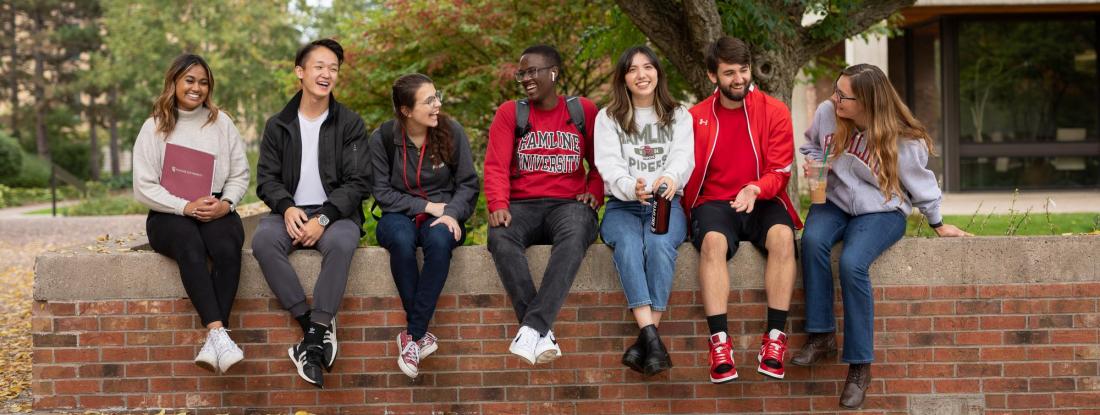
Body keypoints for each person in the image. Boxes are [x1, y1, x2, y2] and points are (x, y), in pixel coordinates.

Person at [794, 63, 972, 408]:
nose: (835, 98)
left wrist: (937, 222)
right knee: (812, 242)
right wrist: (818, 163)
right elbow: (811, 146)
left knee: (852, 263)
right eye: (836, 90)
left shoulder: (903, 138)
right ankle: (821, 335)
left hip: (882, 210)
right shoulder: (828, 113)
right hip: (832, 202)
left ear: (867, 102)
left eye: (843, 95)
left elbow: (921, 185)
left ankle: (860, 367)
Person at [681, 36, 803, 383]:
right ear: (711, 76)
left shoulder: (774, 111)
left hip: (762, 197)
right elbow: (682, 170)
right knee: (713, 244)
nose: (739, 78)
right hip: (715, 203)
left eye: (744, 70)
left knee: (783, 237)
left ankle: (775, 340)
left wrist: (754, 188)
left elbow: (780, 170)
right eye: (729, 72)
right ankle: (719, 343)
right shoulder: (695, 118)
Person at [251, 38, 369, 388]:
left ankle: (311, 342)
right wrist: (286, 208)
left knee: (344, 241)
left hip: (334, 213)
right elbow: (266, 179)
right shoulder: (278, 125)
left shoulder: (349, 123)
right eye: (319, 66)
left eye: (333, 68)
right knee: (263, 241)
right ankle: (313, 330)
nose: (326, 74)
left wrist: (324, 217)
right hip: (289, 212)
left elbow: (359, 181)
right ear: (300, 72)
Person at [484, 44, 604, 365]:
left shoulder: (583, 111)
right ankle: (539, 330)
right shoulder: (511, 112)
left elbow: (602, 163)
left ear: (553, 73)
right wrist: (498, 202)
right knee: (499, 237)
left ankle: (530, 327)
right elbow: (495, 165)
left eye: (532, 71)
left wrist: (594, 190)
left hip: (569, 205)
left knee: (578, 230)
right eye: (521, 73)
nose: (525, 78)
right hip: (522, 205)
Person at [132, 54, 249, 374]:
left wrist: (227, 202)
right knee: (189, 244)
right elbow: (143, 186)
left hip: (214, 207)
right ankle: (218, 332)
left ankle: (216, 340)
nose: (197, 88)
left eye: (203, 82)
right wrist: (183, 207)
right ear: (174, 82)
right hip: (169, 212)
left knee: (226, 246)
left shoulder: (221, 122)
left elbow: (240, 173)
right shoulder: (154, 126)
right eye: (190, 80)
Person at [370, 73, 479, 378]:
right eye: (428, 100)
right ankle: (420, 335)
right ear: (406, 110)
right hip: (397, 214)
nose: (437, 105)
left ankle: (412, 336)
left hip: (444, 214)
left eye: (436, 96)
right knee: (401, 241)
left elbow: (468, 184)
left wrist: (452, 213)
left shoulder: (451, 132)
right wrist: (427, 206)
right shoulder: (382, 138)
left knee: (441, 242)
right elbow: (382, 193)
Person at [594, 46, 693, 376]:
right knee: (629, 247)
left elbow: (683, 157)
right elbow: (608, 164)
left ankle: (647, 340)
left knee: (659, 245)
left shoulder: (679, 114)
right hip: (622, 205)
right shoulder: (608, 118)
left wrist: (670, 177)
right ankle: (653, 339)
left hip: (666, 202)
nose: (642, 74)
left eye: (648, 67)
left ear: (658, 73)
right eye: (633, 69)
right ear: (623, 77)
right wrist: (629, 186)